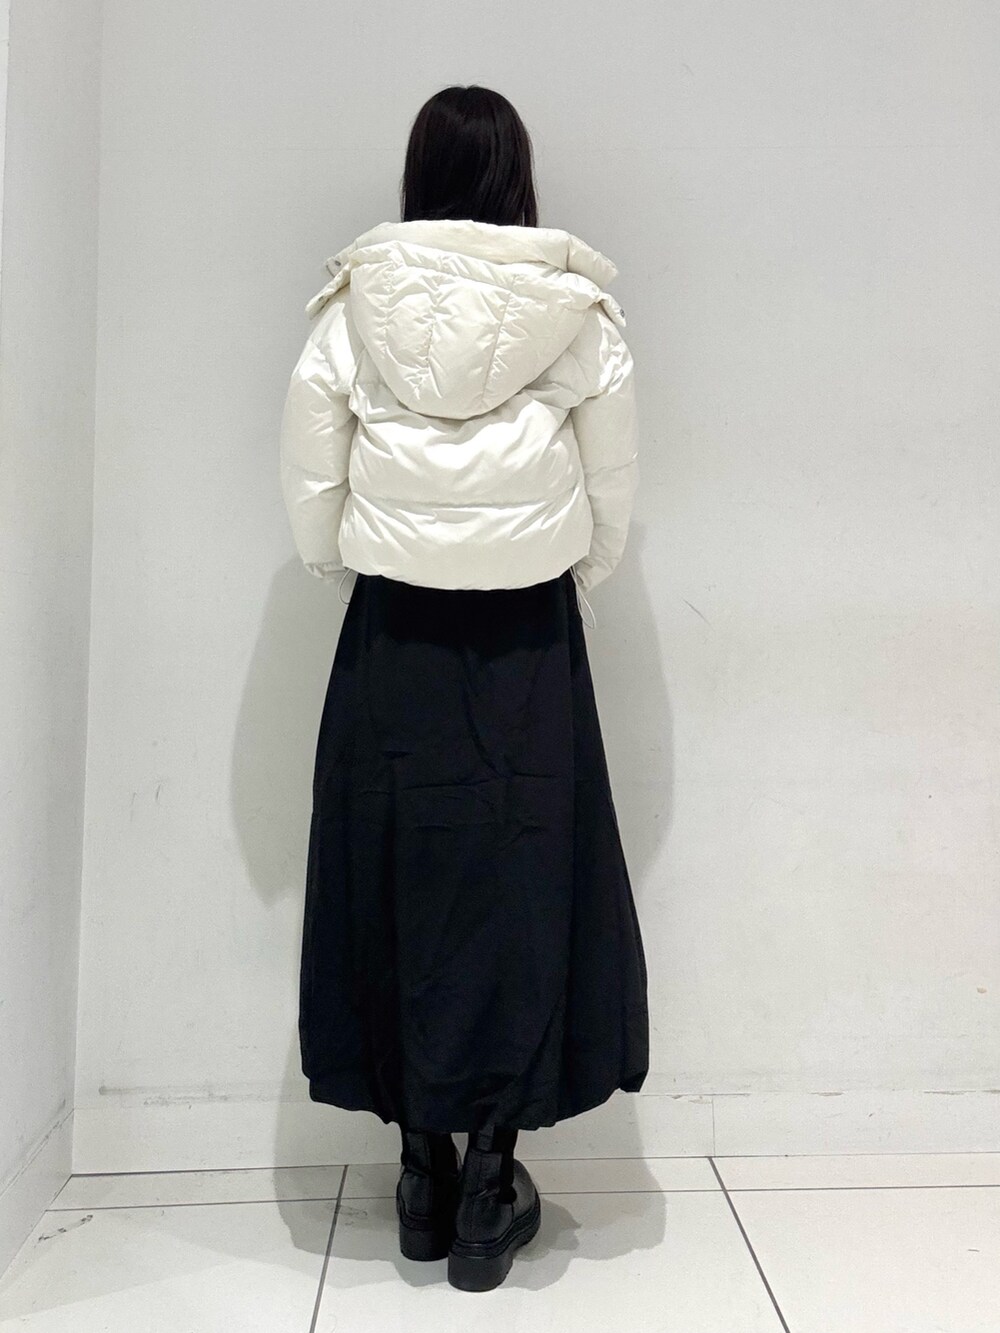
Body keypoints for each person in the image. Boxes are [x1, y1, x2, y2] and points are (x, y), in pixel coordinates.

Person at [278, 84, 649, 1292]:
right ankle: (492, 1179)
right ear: (515, 178)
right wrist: (571, 570)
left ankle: (418, 1171)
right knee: (525, 877)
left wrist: (344, 561)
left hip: (396, 626)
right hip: (526, 632)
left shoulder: (355, 303)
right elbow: (613, 480)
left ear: (420, 173)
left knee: (392, 870)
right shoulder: (573, 310)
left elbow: (311, 471)